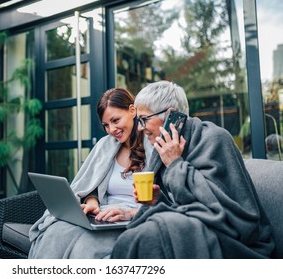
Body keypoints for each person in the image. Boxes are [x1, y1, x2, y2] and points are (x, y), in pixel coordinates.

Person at [111, 80, 275, 258]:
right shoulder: (164, 149)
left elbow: (217, 208)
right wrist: (158, 200)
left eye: (144, 119)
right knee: (135, 236)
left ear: (170, 115)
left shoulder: (215, 138)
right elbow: (182, 205)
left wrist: (175, 164)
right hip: (193, 223)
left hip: (235, 238)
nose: (140, 128)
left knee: (150, 236)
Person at [28, 88, 148, 258]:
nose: (112, 129)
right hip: (103, 215)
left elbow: (165, 199)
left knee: (84, 248)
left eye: (115, 120)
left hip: (131, 218)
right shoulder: (105, 146)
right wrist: (93, 202)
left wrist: (130, 213)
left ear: (132, 110)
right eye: (106, 125)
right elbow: (91, 185)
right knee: (55, 232)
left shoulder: (152, 145)